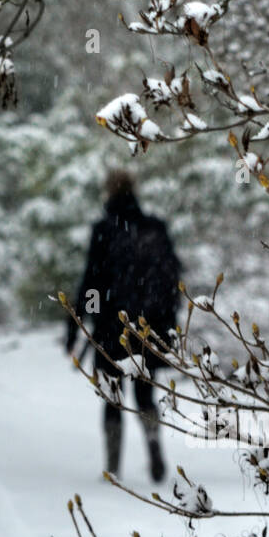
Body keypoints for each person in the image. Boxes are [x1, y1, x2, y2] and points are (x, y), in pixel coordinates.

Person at [65, 169, 181, 482]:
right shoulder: (155, 228)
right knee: (145, 394)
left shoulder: (104, 229)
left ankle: (113, 465)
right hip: (149, 327)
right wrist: (168, 322)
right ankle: (154, 447)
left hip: (110, 327)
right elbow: (173, 278)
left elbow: (91, 282)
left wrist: (77, 325)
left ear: (108, 192)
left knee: (112, 395)